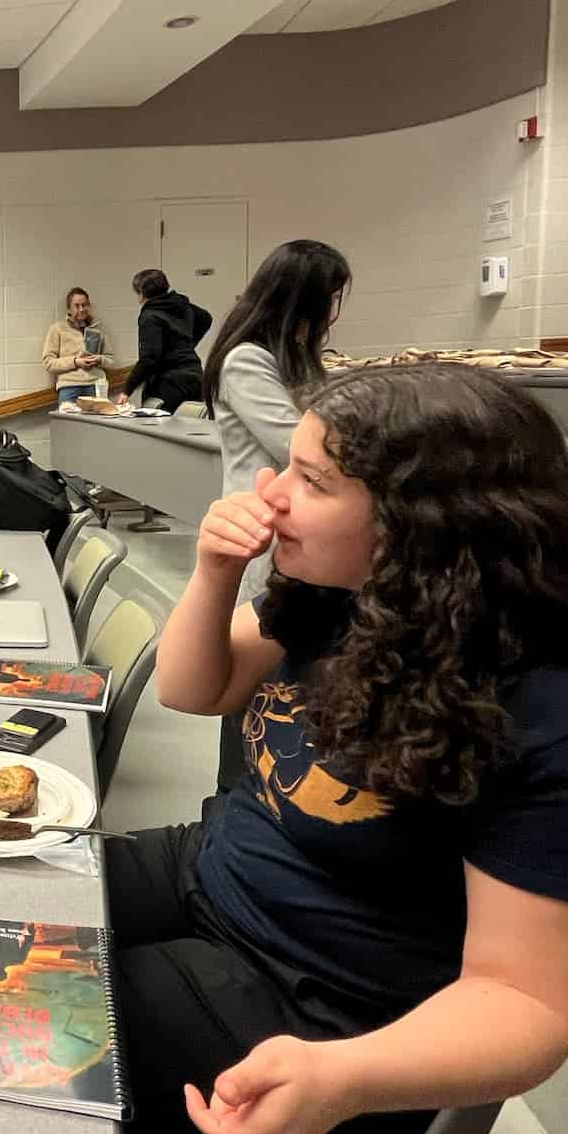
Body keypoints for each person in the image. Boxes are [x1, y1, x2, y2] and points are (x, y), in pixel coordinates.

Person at [107, 363, 568, 1134]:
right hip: (211, 875)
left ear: (422, 523)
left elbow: (526, 1004)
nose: (270, 497)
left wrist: (344, 1076)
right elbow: (194, 689)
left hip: (311, 1006)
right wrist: (215, 570)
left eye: (311, 481)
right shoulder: (351, 596)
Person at [201, 239, 352, 788]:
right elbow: (298, 445)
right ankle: (232, 801)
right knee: (247, 691)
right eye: (331, 297)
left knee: (287, 689)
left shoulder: (294, 357)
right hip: (264, 536)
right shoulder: (248, 359)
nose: (335, 311)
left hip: (295, 539)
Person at [121, 268, 211, 415]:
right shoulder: (181, 304)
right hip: (195, 378)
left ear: (143, 293)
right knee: (191, 430)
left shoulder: (150, 315)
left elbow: (149, 360)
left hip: (169, 384)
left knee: (159, 432)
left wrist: (126, 389)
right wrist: (185, 345)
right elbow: (206, 318)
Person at [42, 286, 108, 399]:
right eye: (77, 306)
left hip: (96, 385)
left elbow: (111, 360)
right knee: (67, 417)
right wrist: (76, 362)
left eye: (84, 305)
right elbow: (48, 363)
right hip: (70, 387)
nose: (81, 309)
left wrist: (99, 359)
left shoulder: (98, 328)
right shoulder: (57, 329)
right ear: (69, 309)